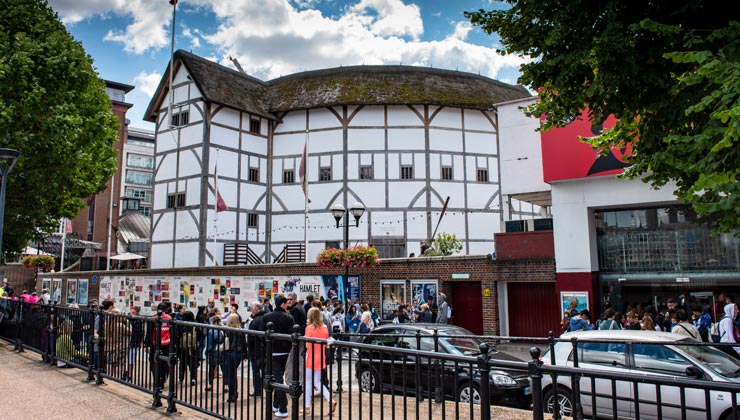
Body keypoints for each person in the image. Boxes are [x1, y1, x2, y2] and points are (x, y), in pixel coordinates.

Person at [261, 295, 294, 418]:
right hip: (285, 351)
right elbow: (292, 335)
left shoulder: (266, 317)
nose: (288, 305)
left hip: (272, 351)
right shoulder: (289, 317)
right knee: (279, 378)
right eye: (286, 303)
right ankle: (281, 406)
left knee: (277, 378)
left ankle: (279, 405)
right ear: (283, 304)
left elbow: (262, 336)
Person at [303, 307, 337, 416]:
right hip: (320, 356)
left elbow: (307, 345)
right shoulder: (325, 328)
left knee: (309, 381)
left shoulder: (309, 328)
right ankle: (330, 399)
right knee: (317, 381)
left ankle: (307, 406)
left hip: (311, 356)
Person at [144, 302, 172, 395]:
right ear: (166, 309)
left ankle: (157, 379)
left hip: (155, 344)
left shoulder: (153, 318)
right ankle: (163, 379)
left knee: (153, 361)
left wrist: (147, 345)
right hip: (166, 343)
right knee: (165, 362)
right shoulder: (169, 319)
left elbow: (148, 333)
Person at [222, 313, 246, 403]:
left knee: (230, 375)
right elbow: (244, 343)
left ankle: (232, 394)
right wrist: (245, 354)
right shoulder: (240, 330)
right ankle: (234, 393)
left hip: (229, 352)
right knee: (233, 373)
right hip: (238, 353)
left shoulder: (226, 330)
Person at [246, 302, 265, 396]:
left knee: (256, 371)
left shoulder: (254, 321)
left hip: (255, 350)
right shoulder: (266, 319)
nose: (251, 310)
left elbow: (250, 338)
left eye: (252, 308)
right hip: (265, 349)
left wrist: (248, 349)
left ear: (255, 310)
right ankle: (267, 388)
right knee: (265, 371)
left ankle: (258, 390)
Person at [178, 310, 199, 386]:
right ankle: (193, 378)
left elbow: (177, 335)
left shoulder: (180, 324)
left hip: (182, 347)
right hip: (192, 347)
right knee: (192, 364)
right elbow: (199, 336)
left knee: (182, 363)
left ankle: (181, 378)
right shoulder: (194, 325)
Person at [123, 306, 144, 382]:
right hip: (125, 342)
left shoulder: (139, 320)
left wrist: (140, 342)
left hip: (135, 341)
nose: (132, 312)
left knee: (131, 360)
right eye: (131, 311)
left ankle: (129, 375)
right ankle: (124, 372)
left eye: (134, 311)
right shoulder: (125, 318)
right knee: (123, 358)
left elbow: (142, 332)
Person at [205, 315, 223, 392]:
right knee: (224, 368)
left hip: (214, 350)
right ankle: (225, 386)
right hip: (222, 350)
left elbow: (209, 343)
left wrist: (207, 352)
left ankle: (210, 385)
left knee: (211, 368)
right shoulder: (223, 329)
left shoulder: (211, 330)